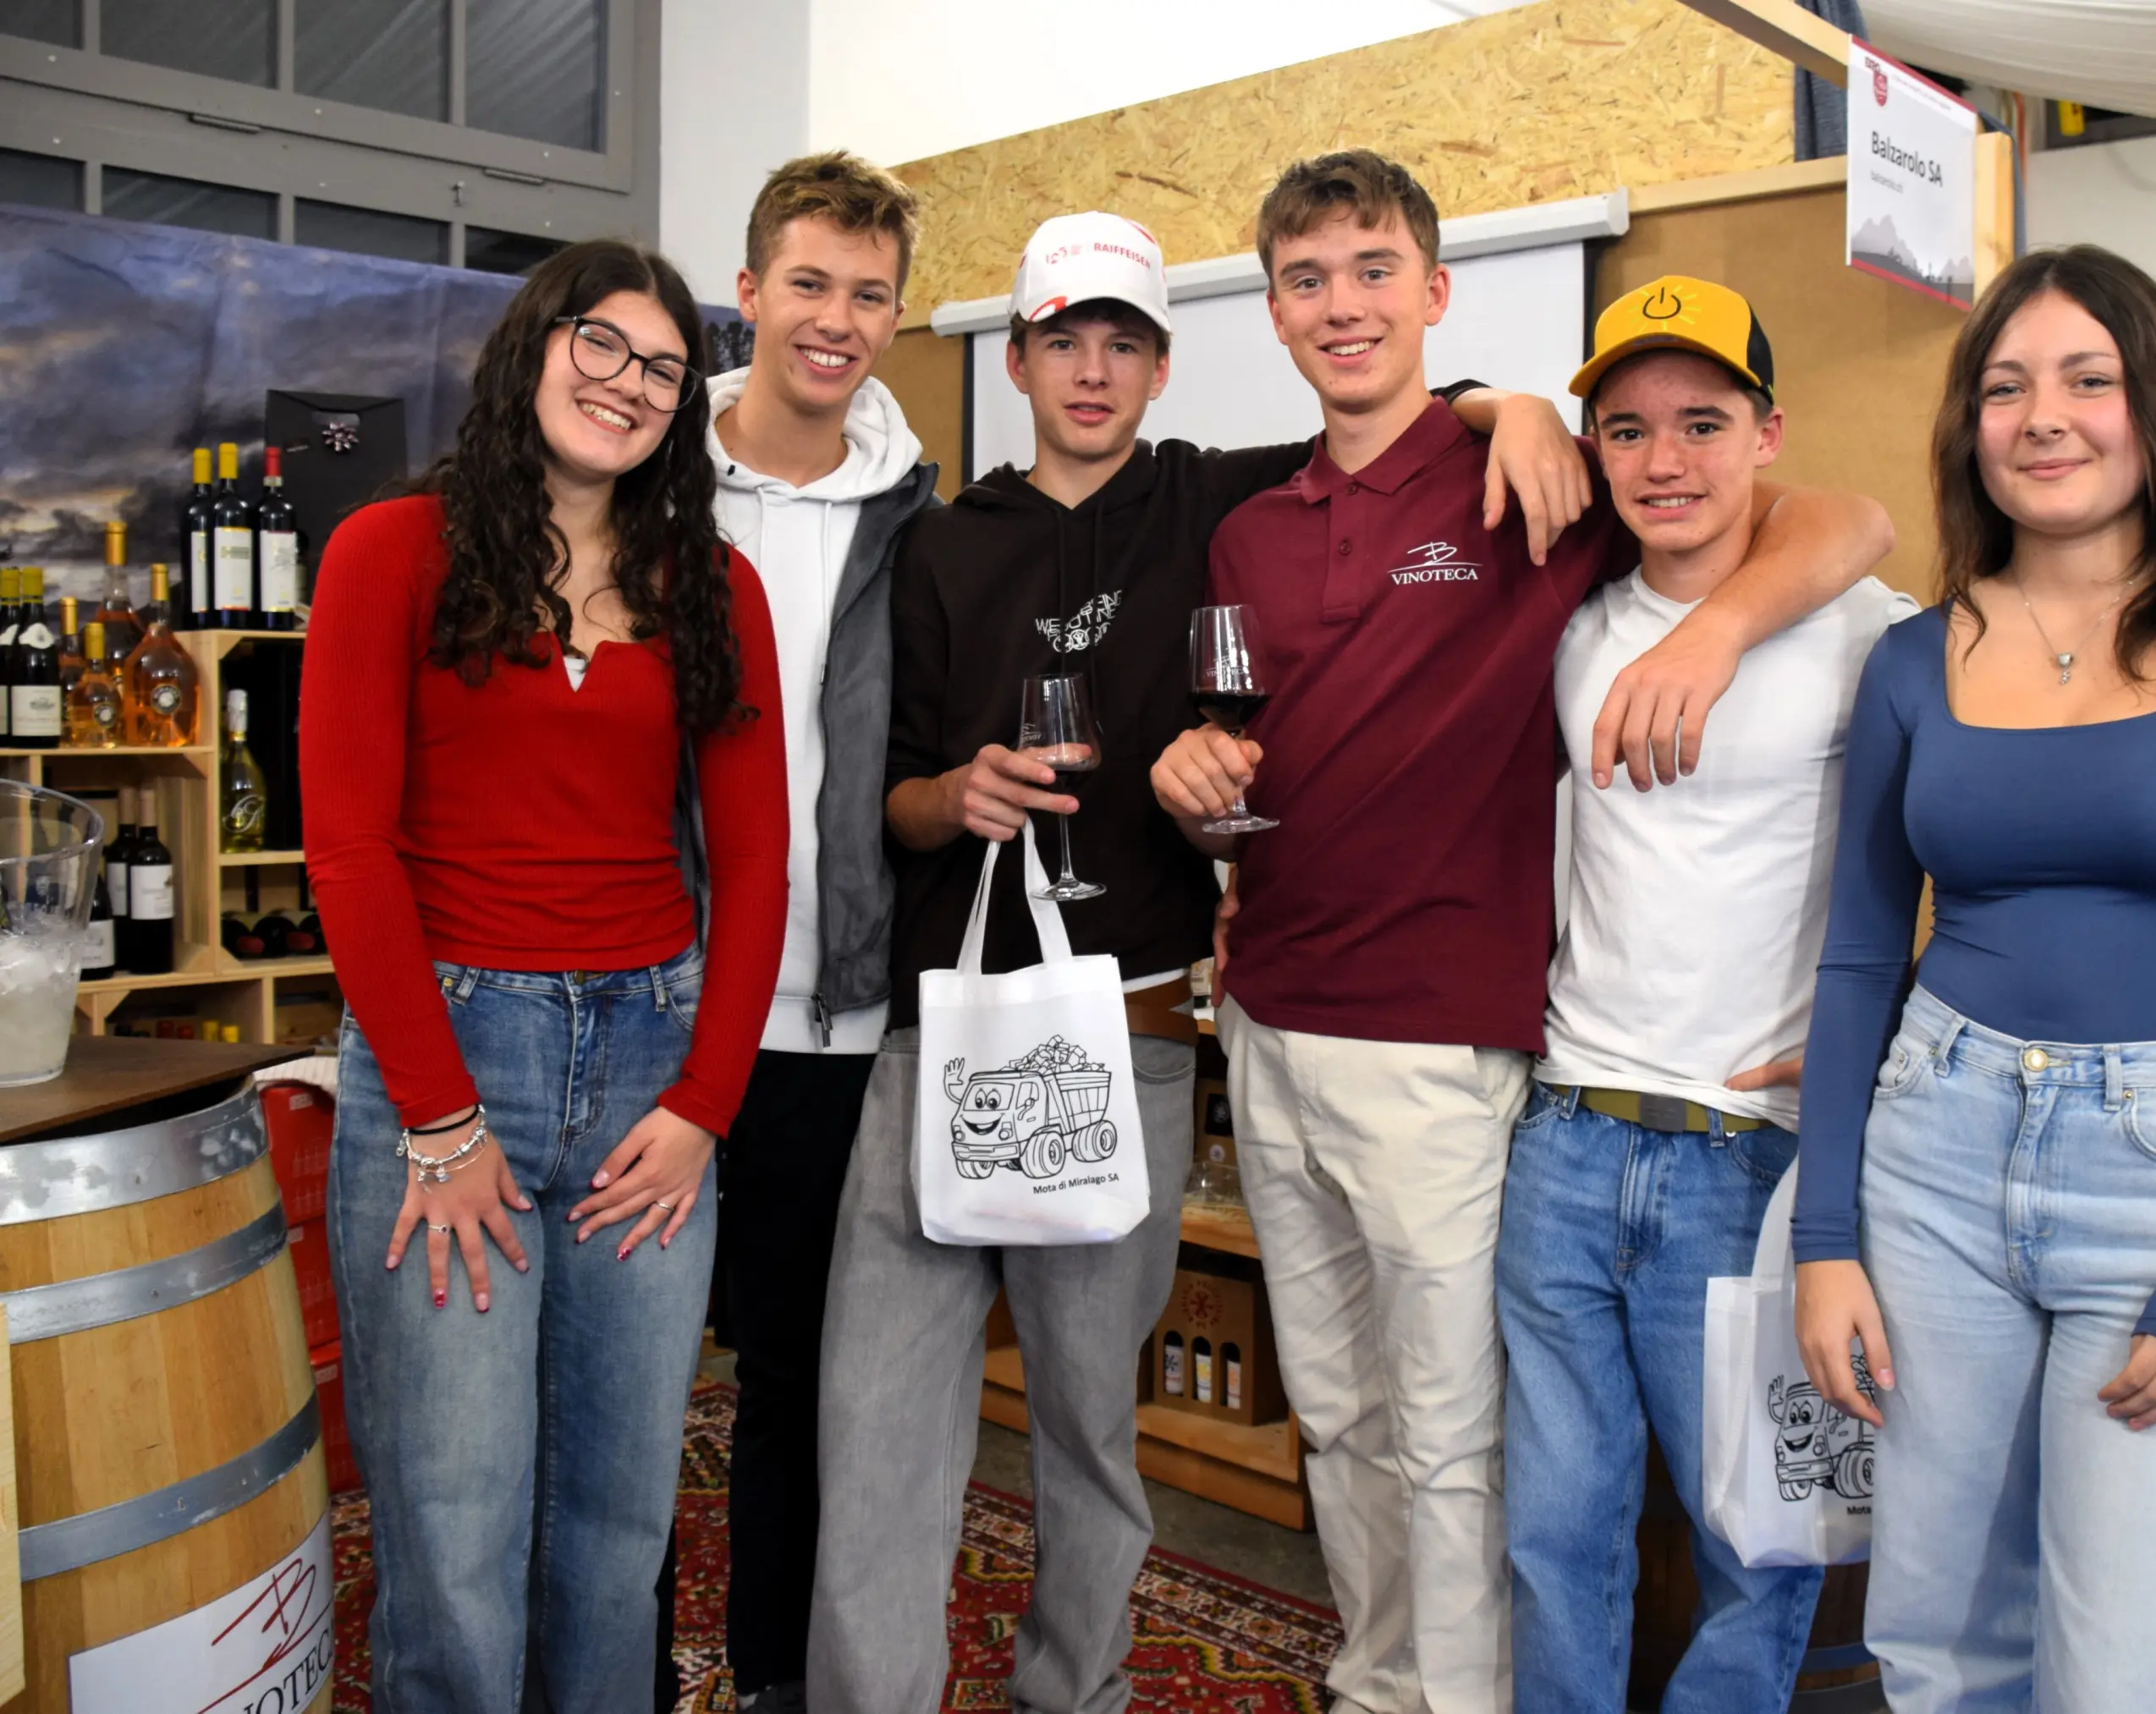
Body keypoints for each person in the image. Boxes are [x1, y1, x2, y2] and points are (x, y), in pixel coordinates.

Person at [806, 210, 1588, 1714]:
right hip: (946, 1031)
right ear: (1017, 356)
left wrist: (1519, 401)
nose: (1091, 371)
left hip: (1142, 1025)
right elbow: (891, 796)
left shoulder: (1221, 500)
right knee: (880, 1417)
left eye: (1125, 343)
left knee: (1097, 1426)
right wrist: (953, 795)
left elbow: (1405, 419)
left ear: (1164, 369)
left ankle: (1075, 1694)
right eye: (1062, 342)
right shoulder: (937, 543)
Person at [1150, 151, 1893, 1714]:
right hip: (1270, 1018)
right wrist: (1192, 773)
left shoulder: (1534, 494)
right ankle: (1376, 1677)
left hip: (1447, 1043)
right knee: (1342, 1417)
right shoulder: (1250, 528)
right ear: (1271, 308)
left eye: (1372, 270)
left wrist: (1680, 580)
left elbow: (1842, 515)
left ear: (1434, 292)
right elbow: (1249, 741)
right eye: (1306, 278)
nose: (1341, 305)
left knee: (1455, 1437)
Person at [1791, 244, 2156, 1714]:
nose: (2041, 415)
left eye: (2086, 378)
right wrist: (1824, 1235)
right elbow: (1865, 951)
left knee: (2127, 1665)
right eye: (2004, 387)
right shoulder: (1916, 660)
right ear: (1969, 429)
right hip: (1934, 1154)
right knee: (1938, 1643)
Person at [306, 239, 789, 1710]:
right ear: (534, 345)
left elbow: (758, 869)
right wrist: (442, 1124)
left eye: (661, 367)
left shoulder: (712, 586)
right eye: (601, 344)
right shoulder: (391, 551)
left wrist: (707, 1103)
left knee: (619, 1526)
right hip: (452, 1063)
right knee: (454, 1530)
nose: (628, 385)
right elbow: (348, 851)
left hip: (651, 1073)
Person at [1495, 275, 1917, 1712]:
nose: (1664, 461)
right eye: (1626, 429)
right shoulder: (1570, 627)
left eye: (1702, 422)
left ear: (1767, 430)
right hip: (1563, 1136)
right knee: (1555, 1533)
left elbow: (1968, 855)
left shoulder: (1868, 631)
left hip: (1750, 1158)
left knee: (1762, 1540)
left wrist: (1882, 1031)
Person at [701, 150, 938, 1714]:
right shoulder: (652, 476)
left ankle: (768, 1677)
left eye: (867, 295)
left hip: (833, 1024)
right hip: (653, 1003)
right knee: (624, 1390)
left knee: (795, 1386)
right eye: (809, 284)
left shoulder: (922, 515)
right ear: (749, 292)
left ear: (899, 316)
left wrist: (1497, 401)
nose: (835, 319)